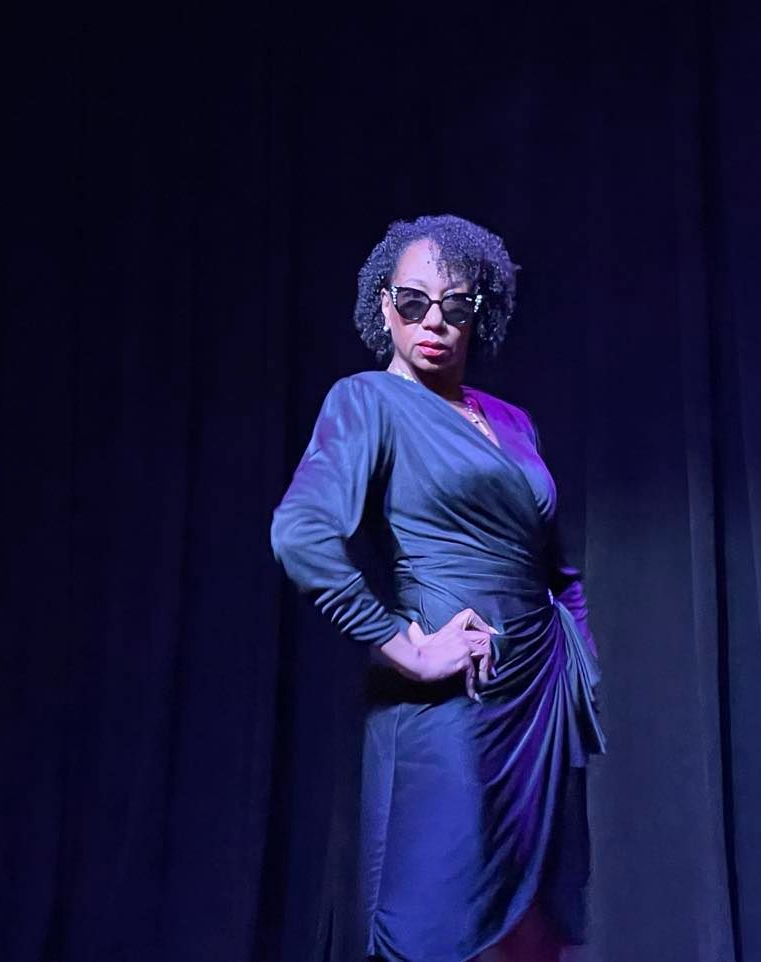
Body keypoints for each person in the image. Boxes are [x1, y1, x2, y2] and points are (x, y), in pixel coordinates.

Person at [270, 214, 607, 962]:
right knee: (438, 924)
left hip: (537, 704)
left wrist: (581, 664)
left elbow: (555, 566)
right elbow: (300, 534)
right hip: (449, 706)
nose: (434, 321)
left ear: (478, 312)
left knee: (532, 936)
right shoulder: (367, 401)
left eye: (455, 305)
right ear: (384, 305)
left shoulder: (512, 421)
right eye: (414, 301)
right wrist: (407, 648)